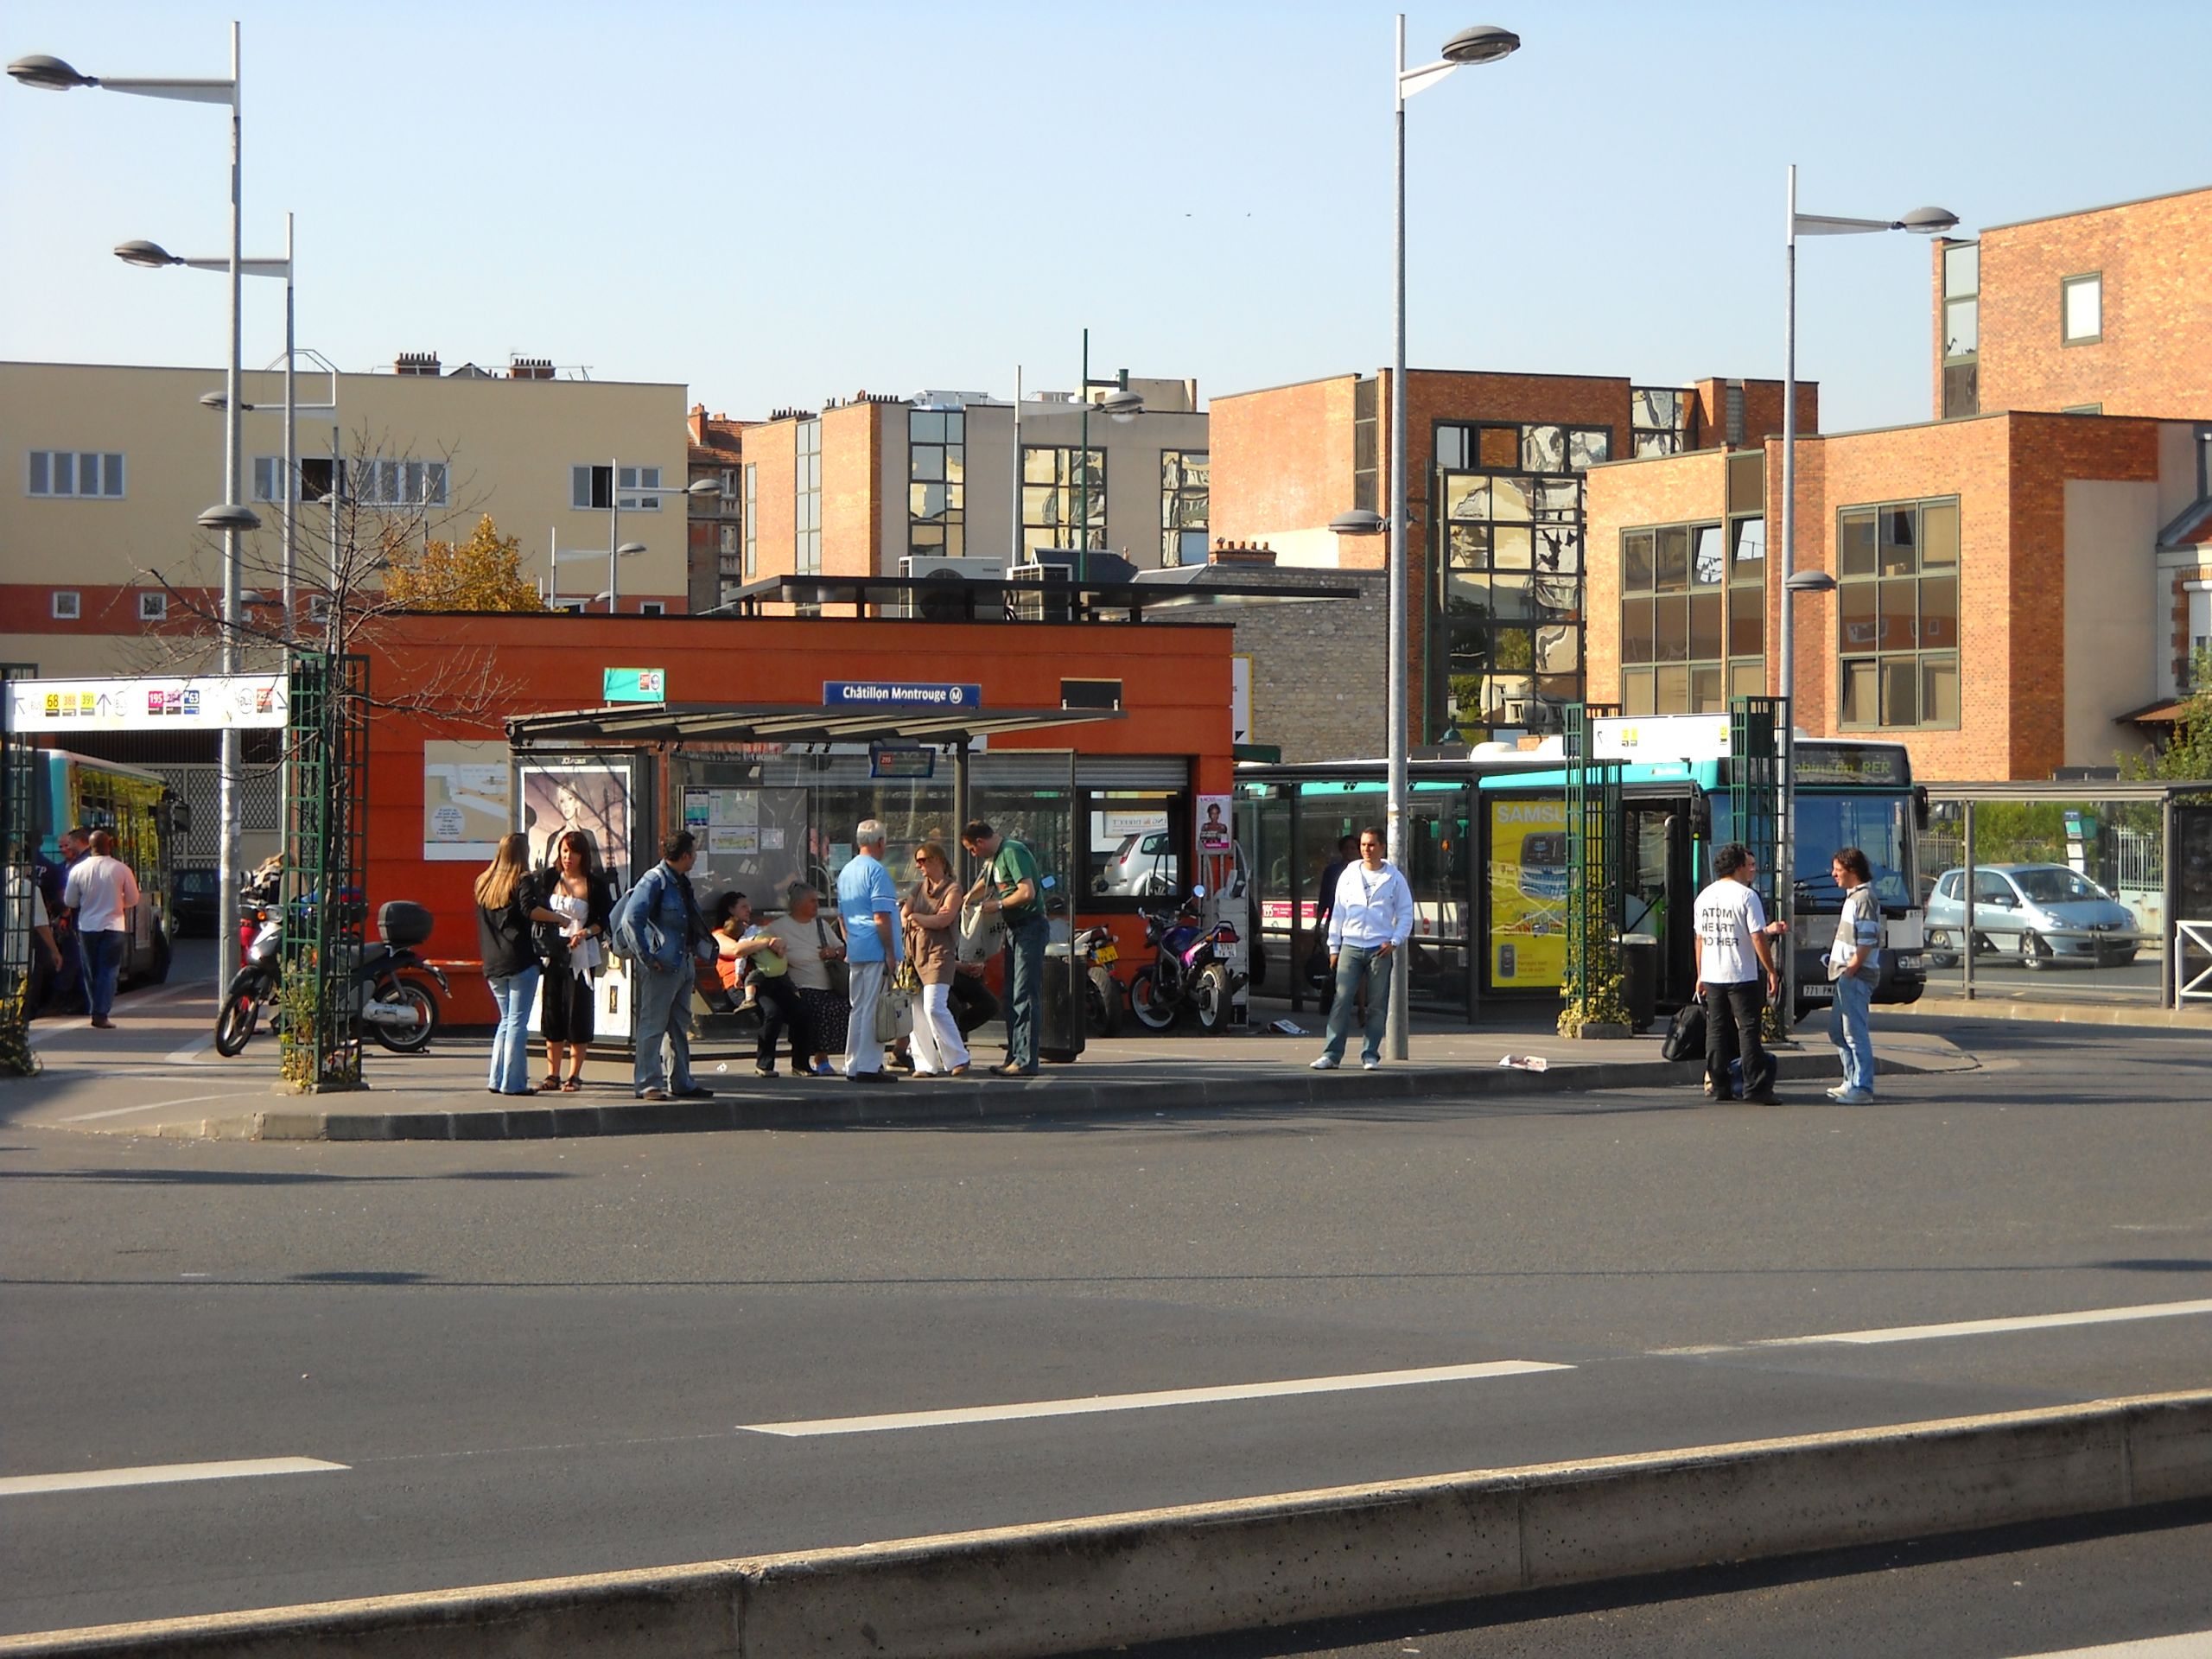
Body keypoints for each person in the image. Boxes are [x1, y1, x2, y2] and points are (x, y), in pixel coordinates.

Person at [613, 830, 717, 1103]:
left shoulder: (682, 882)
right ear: (685, 855)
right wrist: (647, 958)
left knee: (679, 1025)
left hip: (683, 962)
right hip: (662, 965)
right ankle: (648, 1083)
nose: (695, 858)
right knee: (653, 1024)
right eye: (693, 853)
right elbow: (630, 920)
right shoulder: (654, 880)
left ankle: (681, 1081)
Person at [1311, 826, 1413, 1071]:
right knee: (1341, 999)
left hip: (1380, 947)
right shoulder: (1349, 874)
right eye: (1363, 845)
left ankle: (1370, 1054)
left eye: (1371, 845)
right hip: (1351, 944)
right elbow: (1339, 910)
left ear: (1382, 848)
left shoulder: (1393, 877)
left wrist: (1395, 940)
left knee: (1377, 1004)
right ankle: (1332, 1054)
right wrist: (1334, 947)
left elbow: (1405, 912)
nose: (1366, 850)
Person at [1694, 841, 1787, 1105]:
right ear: (1737, 867)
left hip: (1712, 973)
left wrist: (1700, 973)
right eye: (1749, 866)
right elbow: (1757, 937)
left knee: (1717, 1030)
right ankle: (1755, 1087)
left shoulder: (1704, 897)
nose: (1752, 871)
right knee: (1748, 1031)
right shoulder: (1747, 896)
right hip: (1741, 973)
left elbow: (1699, 939)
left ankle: (1720, 1084)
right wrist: (1770, 970)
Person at [474, 832, 563, 1096]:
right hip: (520, 959)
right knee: (517, 1022)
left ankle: (497, 1078)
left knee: (506, 1021)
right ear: (522, 853)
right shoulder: (521, 880)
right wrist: (558, 918)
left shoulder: (484, 882)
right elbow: (529, 910)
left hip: (492, 962)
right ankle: (513, 1083)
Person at [963, 818, 1047, 1077]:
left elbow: (1027, 892)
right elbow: (986, 884)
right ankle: (1015, 1055)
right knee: (1011, 994)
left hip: (1029, 927)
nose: (973, 855)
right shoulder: (995, 858)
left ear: (980, 842)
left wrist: (998, 906)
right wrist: (966, 899)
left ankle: (1025, 1060)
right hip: (1014, 929)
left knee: (1024, 994)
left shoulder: (1012, 851)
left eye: (972, 850)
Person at [535, 829, 613, 1092]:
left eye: (574, 851)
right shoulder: (549, 879)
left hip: (582, 956)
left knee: (578, 1012)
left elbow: (604, 920)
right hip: (554, 955)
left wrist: (586, 932)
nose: (568, 857)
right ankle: (552, 1073)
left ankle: (574, 1074)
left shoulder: (594, 884)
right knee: (553, 1011)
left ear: (583, 854)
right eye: (564, 851)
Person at [711, 890, 808, 1079]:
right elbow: (737, 950)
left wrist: (776, 945)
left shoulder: (753, 931)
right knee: (771, 1012)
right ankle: (764, 1064)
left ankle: (801, 1064)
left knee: (801, 1010)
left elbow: (772, 944)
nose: (749, 910)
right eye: (743, 907)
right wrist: (766, 943)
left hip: (766, 978)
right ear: (730, 910)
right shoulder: (718, 934)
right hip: (738, 984)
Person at [835, 819, 903, 1082]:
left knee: (858, 1007)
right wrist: (889, 951)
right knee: (875, 1008)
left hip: (857, 947)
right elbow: (881, 917)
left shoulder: (846, 872)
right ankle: (869, 1065)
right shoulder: (877, 872)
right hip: (876, 947)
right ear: (880, 842)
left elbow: (842, 917)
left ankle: (853, 1063)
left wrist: (850, 941)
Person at [901, 841, 970, 1077]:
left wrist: (917, 918)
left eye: (924, 860)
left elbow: (943, 919)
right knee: (916, 1010)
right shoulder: (918, 888)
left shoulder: (953, 889)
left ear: (938, 860)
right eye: (917, 861)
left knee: (934, 1006)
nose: (919, 865)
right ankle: (924, 1063)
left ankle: (958, 1057)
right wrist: (920, 919)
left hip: (940, 954)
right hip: (914, 954)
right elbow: (904, 916)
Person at [763, 884, 848, 1076]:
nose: (817, 905)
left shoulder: (821, 925)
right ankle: (818, 1058)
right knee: (815, 1008)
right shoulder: (779, 927)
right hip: (800, 986)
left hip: (828, 982)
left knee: (843, 1005)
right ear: (798, 903)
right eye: (812, 901)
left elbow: (841, 948)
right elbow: (762, 945)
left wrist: (833, 952)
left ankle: (844, 1055)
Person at [61, 830, 142, 1030]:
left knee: (91, 971)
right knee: (109, 970)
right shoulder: (121, 869)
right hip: (114, 925)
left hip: (87, 926)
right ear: (109, 845)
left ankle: (95, 1009)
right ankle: (101, 1013)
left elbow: (70, 900)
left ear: (89, 846)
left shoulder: (78, 870)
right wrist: (118, 901)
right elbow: (133, 899)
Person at [1826, 846, 1882, 1104]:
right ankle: (1850, 1081)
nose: (1834, 875)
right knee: (1837, 1031)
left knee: (1854, 1032)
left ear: (1852, 871)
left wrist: (1851, 969)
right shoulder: (1854, 897)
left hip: (1855, 975)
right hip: (1845, 974)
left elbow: (1868, 939)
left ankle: (1862, 1087)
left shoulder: (1864, 899)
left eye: (1838, 870)